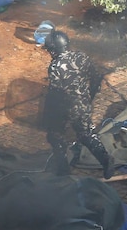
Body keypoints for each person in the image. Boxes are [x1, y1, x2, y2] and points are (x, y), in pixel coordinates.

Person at [41, 30, 114, 179]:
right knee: (87, 135)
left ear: (53, 50)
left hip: (64, 106)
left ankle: (63, 170)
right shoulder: (81, 56)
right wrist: (89, 96)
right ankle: (106, 161)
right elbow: (96, 77)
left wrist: (49, 114)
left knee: (56, 136)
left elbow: (55, 93)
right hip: (83, 105)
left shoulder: (55, 66)